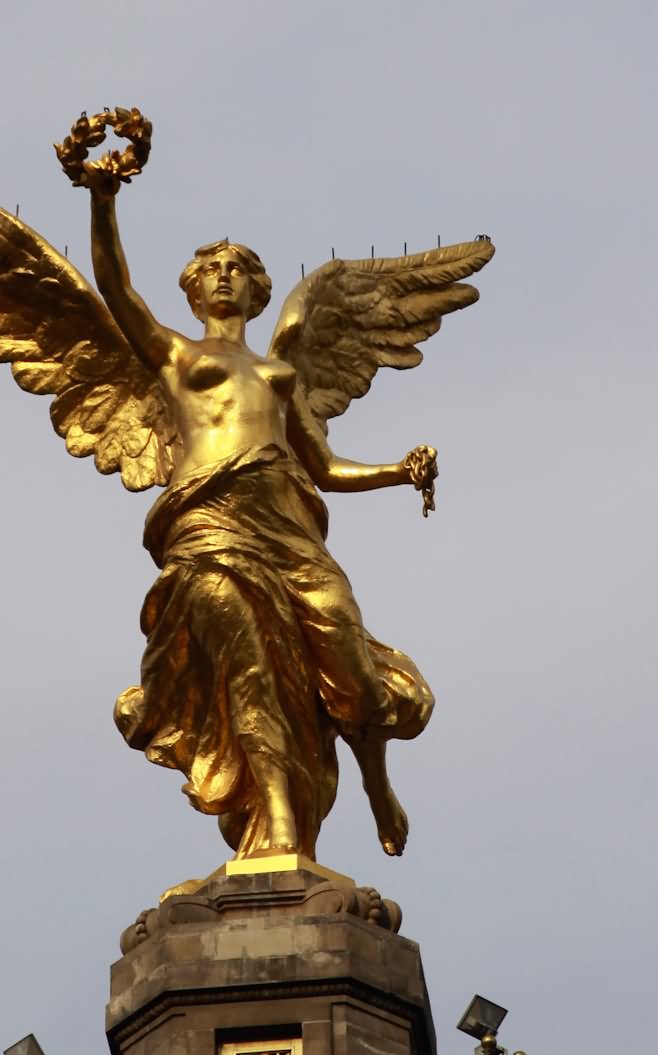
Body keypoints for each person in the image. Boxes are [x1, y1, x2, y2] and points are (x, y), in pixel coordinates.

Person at [89, 182, 436, 861]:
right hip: (209, 528)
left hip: (289, 531)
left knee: (353, 674)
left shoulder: (280, 369)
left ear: (257, 289)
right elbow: (113, 286)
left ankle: (375, 781)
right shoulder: (176, 356)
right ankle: (278, 823)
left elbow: (325, 468)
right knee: (250, 673)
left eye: (237, 268)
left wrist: (399, 470)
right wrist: (102, 200)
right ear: (192, 290)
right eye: (212, 268)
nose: (225, 277)